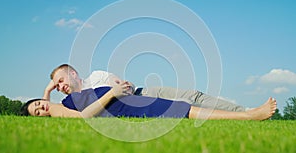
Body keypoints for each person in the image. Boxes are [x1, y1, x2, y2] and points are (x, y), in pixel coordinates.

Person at [21, 81, 277, 120]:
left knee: (187, 106)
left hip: (124, 97)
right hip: (120, 103)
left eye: (37, 104)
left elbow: (45, 103)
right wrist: (112, 93)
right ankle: (249, 115)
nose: (40, 108)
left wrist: (46, 92)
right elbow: (85, 116)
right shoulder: (59, 112)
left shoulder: (55, 103)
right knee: (186, 110)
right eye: (36, 112)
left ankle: (248, 113)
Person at [43, 64, 246, 112]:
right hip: (139, 109)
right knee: (185, 108)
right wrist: (47, 91)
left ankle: (241, 112)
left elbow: (123, 85)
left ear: (72, 73)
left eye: (60, 81)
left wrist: (127, 86)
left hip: (144, 94)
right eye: (57, 86)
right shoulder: (72, 103)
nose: (60, 87)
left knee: (193, 96)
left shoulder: (96, 76)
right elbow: (48, 111)